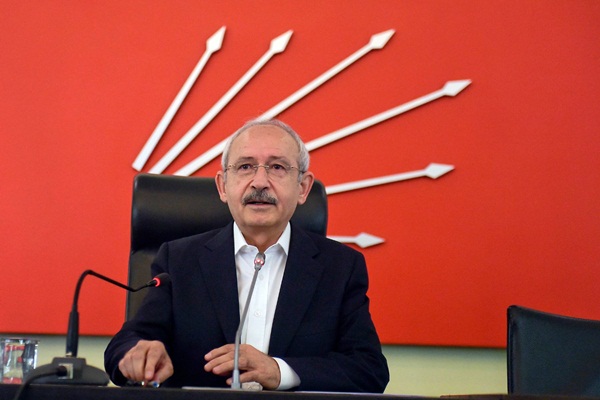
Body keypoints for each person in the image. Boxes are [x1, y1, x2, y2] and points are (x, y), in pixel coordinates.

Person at [104, 119, 389, 392]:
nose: (259, 182)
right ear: (222, 186)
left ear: (303, 188)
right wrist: (138, 354)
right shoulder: (178, 261)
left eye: (277, 167)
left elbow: (369, 369)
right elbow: (126, 343)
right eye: (245, 167)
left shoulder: (340, 267)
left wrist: (279, 371)